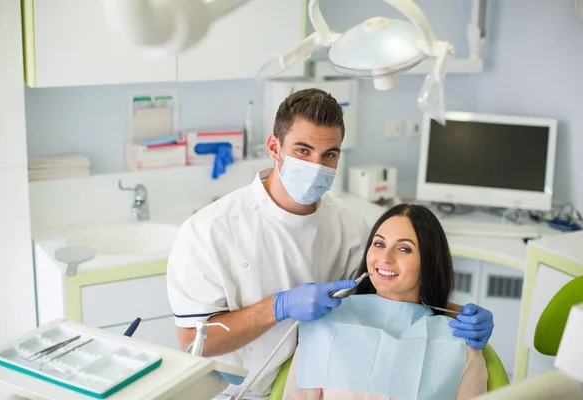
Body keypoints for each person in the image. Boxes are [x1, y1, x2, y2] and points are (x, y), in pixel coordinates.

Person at [166, 88, 494, 399]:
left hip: (322, 381)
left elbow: (388, 289)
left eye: (329, 154)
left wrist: (457, 314)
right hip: (232, 392)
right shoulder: (209, 231)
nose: (315, 166)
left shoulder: (350, 229)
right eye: (303, 150)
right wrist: (278, 306)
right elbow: (192, 341)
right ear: (273, 147)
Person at [282, 204, 488, 400]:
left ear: (429, 261)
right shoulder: (325, 325)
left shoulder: (459, 345)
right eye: (379, 244)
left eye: (404, 249)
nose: (385, 258)